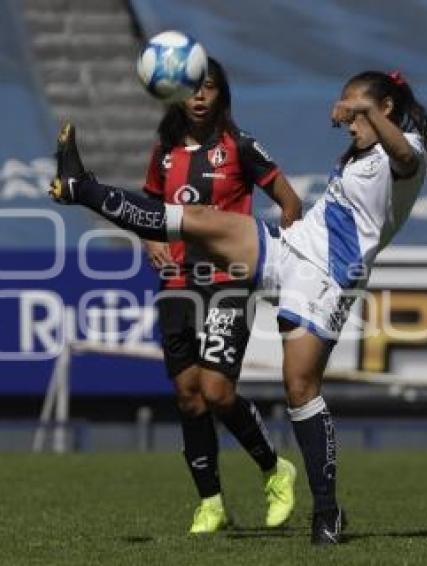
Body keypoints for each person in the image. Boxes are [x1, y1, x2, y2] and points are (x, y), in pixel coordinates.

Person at [50, 69, 427, 545]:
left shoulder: (408, 149)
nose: (347, 119)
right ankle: (80, 187)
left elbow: (399, 153)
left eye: (356, 109)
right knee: (198, 221)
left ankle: (327, 512)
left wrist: (362, 112)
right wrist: (358, 115)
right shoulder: (363, 151)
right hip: (292, 247)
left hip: (329, 278)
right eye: (346, 108)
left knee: (299, 388)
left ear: (386, 110)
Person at [141, 57, 303, 534]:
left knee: (216, 390)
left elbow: (290, 202)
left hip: (230, 278)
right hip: (176, 281)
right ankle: (210, 503)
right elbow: (149, 204)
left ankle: (275, 470)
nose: (199, 97)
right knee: (189, 397)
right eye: (191, 88)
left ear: (220, 95)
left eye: (208, 88)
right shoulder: (164, 152)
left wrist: (279, 262)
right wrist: (152, 241)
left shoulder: (239, 147)